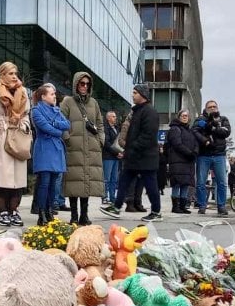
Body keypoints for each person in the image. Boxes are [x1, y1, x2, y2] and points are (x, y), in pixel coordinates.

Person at [0, 62, 31, 227]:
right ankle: (3, 211)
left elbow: (26, 114)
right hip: (1, 135)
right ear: (2, 75)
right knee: (1, 176)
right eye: (10, 73)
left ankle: (14, 210)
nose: (14, 76)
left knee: (18, 177)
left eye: (15, 73)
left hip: (18, 135)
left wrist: (24, 125)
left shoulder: (22, 91)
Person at [100, 85, 162, 222]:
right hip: (134, 156)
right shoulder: (137, 111)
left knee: (151, 184)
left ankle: (156, 211)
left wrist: (131, 148)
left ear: (143, 95)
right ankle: (116, 207)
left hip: (145, 157)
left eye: (135, 93)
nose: (132, 95)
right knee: (123, 181)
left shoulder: (149, 112)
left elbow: (147, 135)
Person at [60, 71, 105, 225]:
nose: (84, 86)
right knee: (74, 182)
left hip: (91, 147)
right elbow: (61, 121)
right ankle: (74, 215)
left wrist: (100, 140)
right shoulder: (68, 102)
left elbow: (100, 124)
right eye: (81, 83)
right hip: (74, 147)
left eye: (87, 84)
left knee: (87, 182)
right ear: (76, 84)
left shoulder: (94, 103)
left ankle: (84, 215)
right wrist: (67, 139)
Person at [31, 83, 70, 226]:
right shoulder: (36, 110)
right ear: (43, 96)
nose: (54, 96)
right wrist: (57, 130)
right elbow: (44, 127)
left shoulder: (56, 110)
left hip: (56, 149)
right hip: (44, 148)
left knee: (53, 183)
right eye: (52, 94)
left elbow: (67, 124)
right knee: (44, 182)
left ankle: (49, 210)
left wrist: (53, 122)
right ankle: (41, 213)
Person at [192, 99, 232, 216]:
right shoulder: (200, 119)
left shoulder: (223, 119)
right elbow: (195, 131)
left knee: (222, 182)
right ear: (206, 108)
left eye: (214, 106)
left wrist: (212, 128)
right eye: (210, 107)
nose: (213, 108)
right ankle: (202, 205)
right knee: (200, 182)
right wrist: (205, 140)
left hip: (219, 155)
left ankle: (221, 206)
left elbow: (226, 132)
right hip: (204, 155)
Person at [165, 109, 202, 214]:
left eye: (186, 115)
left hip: (188, 161)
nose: (185, 117)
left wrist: (194, 152)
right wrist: (189, 153)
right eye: (183, 115)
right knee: (177, 183)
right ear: (179, 116)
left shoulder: (190, 131)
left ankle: (183, 206)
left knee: (185, 183)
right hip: (177, 160)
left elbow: (196, 144)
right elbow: (177, 144)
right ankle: (175, 207)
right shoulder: (174, 129)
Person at [102, 110, 122, 204]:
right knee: (107, 178)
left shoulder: (117, 128)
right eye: (113, 116)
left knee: (114, 178)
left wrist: (120, 152)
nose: (115, 118)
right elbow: (107, 143)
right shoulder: (105, 128)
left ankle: (113, 197)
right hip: (108, 156)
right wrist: (117, 152)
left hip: (115, 157)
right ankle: (105, 197)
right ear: (108, 118)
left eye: (115, 116)